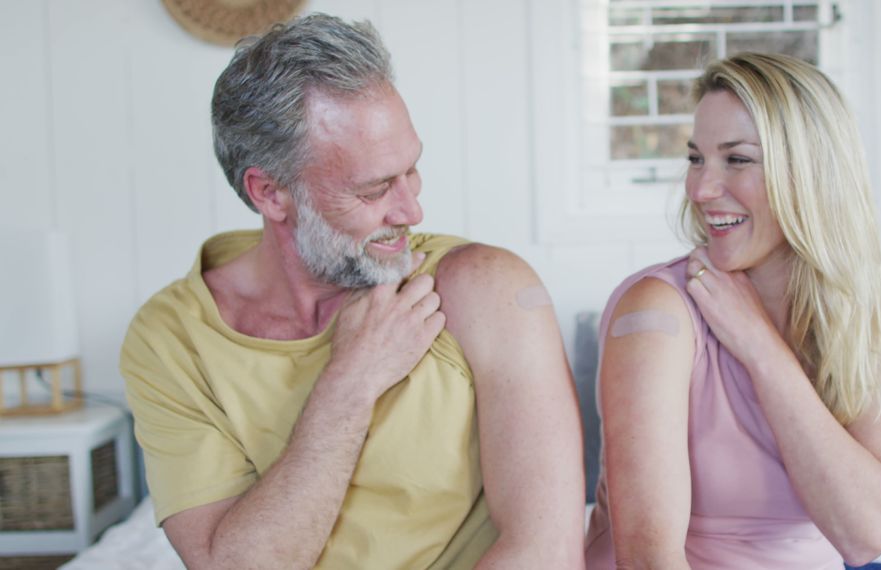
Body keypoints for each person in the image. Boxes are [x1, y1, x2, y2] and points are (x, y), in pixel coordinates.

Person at [120, 13, 584, 569]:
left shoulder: (485, 288)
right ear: (270, 193)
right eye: (374, 189)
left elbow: (547, 552)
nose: (412, 210)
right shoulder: (173, 338)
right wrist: (349, 384)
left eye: (411, 171)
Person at [583, 52, 881, 569]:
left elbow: (866, 535)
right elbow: (649, 559)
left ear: (810, 175)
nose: (701, 189)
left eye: (736, 159)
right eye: (696, 158)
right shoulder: (658, 310)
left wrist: (761, 347)